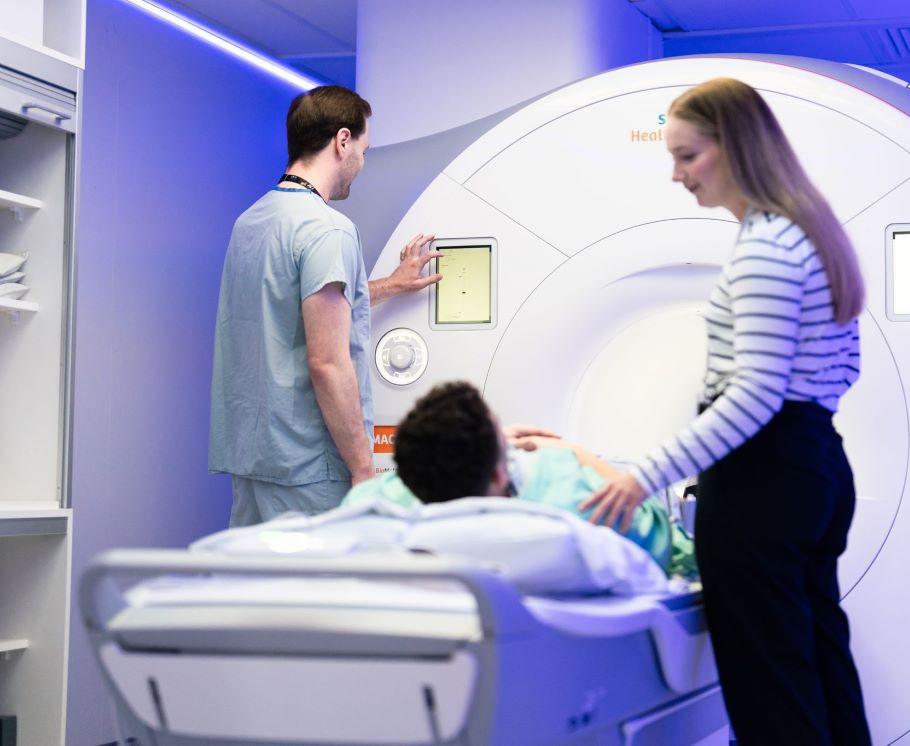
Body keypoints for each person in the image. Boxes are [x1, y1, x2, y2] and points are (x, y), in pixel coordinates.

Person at [580, 78, 871, 744]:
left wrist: (640, 476)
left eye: (687, 156)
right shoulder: (810, 234)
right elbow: (843, 370)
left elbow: (756, 395)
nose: (677, 175)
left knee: (769, 685)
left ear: (734, 146)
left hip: (763, 480)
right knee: (820, 663)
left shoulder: (766, 247)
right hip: (816, 466)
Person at [209, 85, 441, 527]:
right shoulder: (328, 229)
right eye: (364, 150)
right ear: (342, 140)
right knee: (313, 594)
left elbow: (291, 306)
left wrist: (390, 285)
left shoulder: (252, 221)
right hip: (309, 468)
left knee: (259, 591)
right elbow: (327, 362)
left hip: (254, 460)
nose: (361, 164)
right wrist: (362, 468)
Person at [342, 381, 696, 577]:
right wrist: (577, 455)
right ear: (499, 472)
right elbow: (671, 545)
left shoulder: (375, 507)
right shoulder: (576, 506)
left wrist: (491, 444)